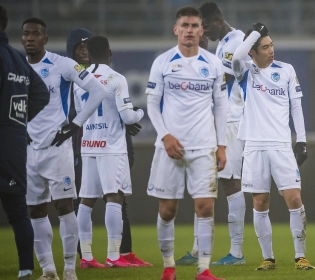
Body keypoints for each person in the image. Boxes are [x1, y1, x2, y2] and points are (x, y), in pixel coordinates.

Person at [21, 17, 107, 280]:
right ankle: (48, 270)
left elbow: (98, 91)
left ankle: (69, 269)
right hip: (28, 150)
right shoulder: (15, 67)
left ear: (45, 39)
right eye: (26, 34)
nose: (30, 38)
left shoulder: (61, 65)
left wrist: (75, 124)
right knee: (35, 210)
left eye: (36, 34)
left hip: (58, 148)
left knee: (64, 207)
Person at [146, 6, 228, 280]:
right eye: (185, 25)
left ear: (202, 30)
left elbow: (220, 106)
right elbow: (152, 104)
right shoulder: (163, 62)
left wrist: (222, 145)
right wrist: (165, 135)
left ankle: (204, 269)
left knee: (205, 207)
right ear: (176, 29)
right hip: (169, 148)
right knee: (167, 210)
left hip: (204, 147)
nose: (190, 30)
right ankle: (168, 266)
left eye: (195, 25)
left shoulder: (213, 63)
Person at [231, 22, 315, 271]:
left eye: (272, 45)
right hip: (254, 146)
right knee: (260, 203)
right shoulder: (245, 71)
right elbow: (236, 56)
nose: (271, 51)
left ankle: (300, 256)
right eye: (265, 47)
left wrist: (301, 140)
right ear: (253, 51)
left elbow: (296, 107)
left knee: (294, 198)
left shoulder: (286, 70)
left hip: (280, 145)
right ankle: (268, 258)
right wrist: (255, 32)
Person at [66, 28, 151, 267]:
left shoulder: (79, 81)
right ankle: (114, 256)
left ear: (89, 55)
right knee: (115, 197)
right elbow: (127, 117)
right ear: (110, 53)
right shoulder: (116, 78)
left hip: (88, 145)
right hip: (111, 147)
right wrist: (140, 112)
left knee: (86, 200)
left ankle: (88, 257)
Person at [176, 2, 248, 266]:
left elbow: (222, 83)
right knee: (205, 183)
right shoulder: (222, 43)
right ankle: (197, 249)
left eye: (204, 27)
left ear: (217, 21)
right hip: (218, 122)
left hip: (231, 122)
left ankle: (237, 252)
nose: (202, 33)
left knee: (231, 183)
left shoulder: (235, 42)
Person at [0, 5, 49, 280]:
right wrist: (16, 120)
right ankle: (26, 270)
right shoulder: (19, 60)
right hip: (15, 146)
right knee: (19, 212)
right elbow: (41, 95)